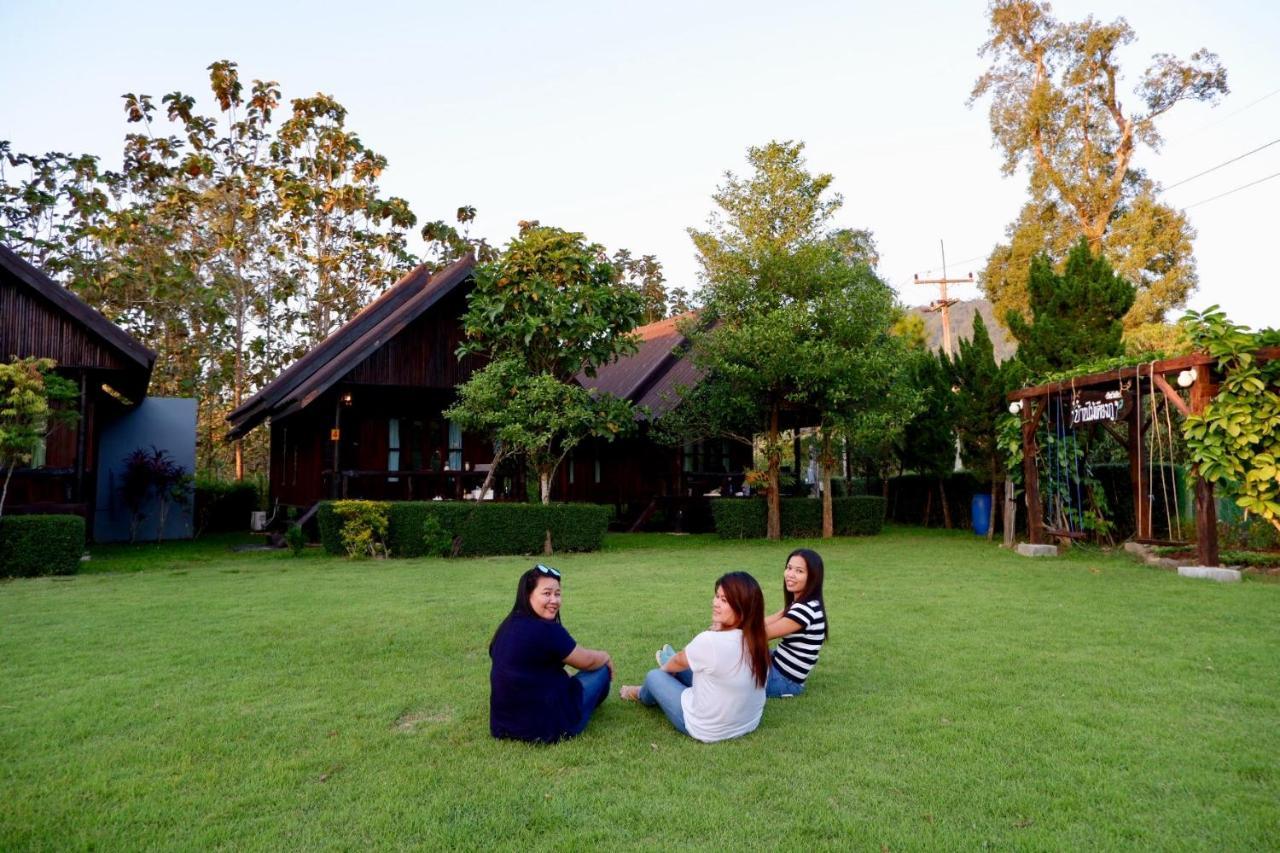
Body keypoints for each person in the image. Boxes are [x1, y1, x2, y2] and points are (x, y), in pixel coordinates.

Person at [618, 572, 768, 743]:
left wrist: (664, 674)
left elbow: (679, 662)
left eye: (724, 600)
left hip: (707, 728)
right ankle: (674, 659)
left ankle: (641, 692)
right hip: (748, 722)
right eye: (717, 596)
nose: (715, 603)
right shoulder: (758, 639)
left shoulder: (710, 641)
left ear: (743, 608)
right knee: (688, 662)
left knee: (655, 676)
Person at [489, 564, 614, 743]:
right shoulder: (547, 630)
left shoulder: (506, 625)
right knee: (601, 670)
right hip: (548, 726)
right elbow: (586, 661)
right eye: (546, 593)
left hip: (503, 724)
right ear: (527, 595)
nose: (554, 600)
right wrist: (605, 656)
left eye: (557, 594)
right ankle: (583, 708)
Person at [763, 548, 828, 698]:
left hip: (785, 681)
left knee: (721, 668)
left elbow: (760, 634)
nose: (790, 574)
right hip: (776, 663)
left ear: (812, 577)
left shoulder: (805, 610)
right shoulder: (801, 604)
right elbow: (766, 621)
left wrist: (729, 630)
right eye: (789, 568)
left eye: (799, 571)